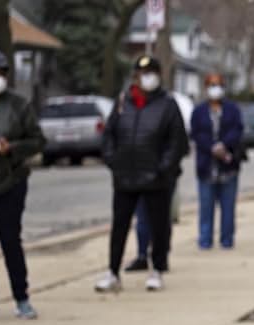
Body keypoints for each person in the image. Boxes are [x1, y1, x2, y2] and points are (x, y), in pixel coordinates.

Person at [95, 56, 188, 293]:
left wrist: (163, 168)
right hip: (125, 177)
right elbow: (109, 135)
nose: (147, 77)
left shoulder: (167, 105)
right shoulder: (123, 102)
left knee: (158, 225)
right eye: (143, 72)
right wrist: (113, 161)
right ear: (136, 76)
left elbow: (177, 142)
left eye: (152, 72)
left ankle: (157, 269)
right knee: (119, 226)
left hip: (155, 178)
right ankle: (113, 272)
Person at [0, 49, 46, 320]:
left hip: (10, 183)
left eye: (2, 72)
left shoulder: (18, 104)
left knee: (10, 241)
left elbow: (38, 141)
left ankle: (21, 297)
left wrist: (12, 148)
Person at [191, 73, 244, 249]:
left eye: (218, 85)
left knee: (228, 207)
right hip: (206, 166)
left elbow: (237, 130)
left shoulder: (232, 109)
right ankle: (205, 239)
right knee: (206, 207)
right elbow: (196, 134)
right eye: (212, 85)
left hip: (228, 167)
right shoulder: (199, 111)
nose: (215, 88)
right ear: (206, 88)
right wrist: (211, 147)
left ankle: (227, 239)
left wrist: (224, 145)